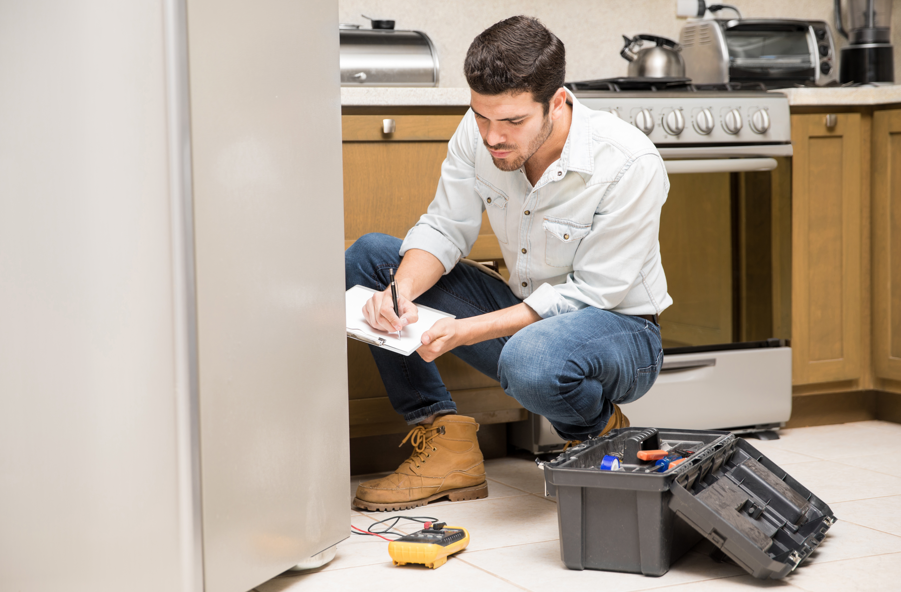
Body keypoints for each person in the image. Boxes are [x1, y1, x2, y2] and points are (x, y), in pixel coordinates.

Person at [345, 15, 671, 512]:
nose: (493, 137)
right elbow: (445, 227)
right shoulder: (477, 132)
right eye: (482, 117)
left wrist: (465, 331)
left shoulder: (628, 162)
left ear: (556, 102)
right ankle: (445, 444)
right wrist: (400, 290)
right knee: (372, 258)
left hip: (620, 330)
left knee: (531, 358)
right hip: (525, 315)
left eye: (513, 122)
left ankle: (598, 432)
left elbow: (592, 293)